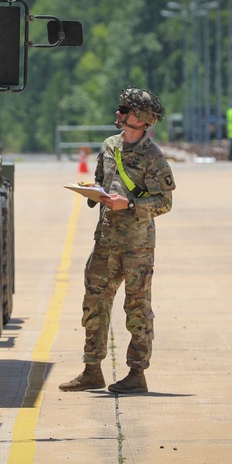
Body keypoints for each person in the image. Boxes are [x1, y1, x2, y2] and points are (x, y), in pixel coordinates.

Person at [59, 87, 176, 394]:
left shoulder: (153, 157)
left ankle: (136, 374)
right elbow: (101, 179)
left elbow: (164, 202)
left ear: (140, 118)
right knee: (94, 302)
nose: (118, 112)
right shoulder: (110, 146)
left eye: (124, 109)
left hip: (137, 246)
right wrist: (92, 192)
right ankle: (91, 370)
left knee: (137, 308)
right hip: (105, 240)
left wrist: (132, 205)